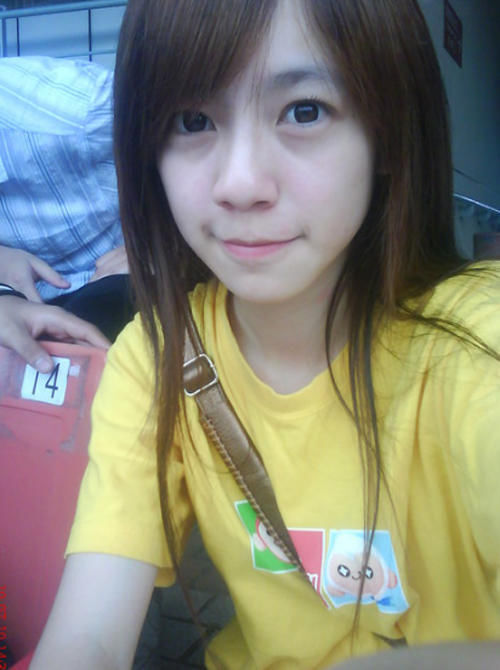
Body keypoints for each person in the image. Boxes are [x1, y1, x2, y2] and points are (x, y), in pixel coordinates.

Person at [31, 1, 500, 668]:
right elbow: (89, 639)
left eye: (304, 111)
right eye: (193, 122)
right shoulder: (156, 357)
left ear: (388, 132)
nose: (240, 184)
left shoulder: (477, 341)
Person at [0, 56, 133, 370]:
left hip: (143, 276)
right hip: (31, 314)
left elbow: (205, 146)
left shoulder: (80, 113)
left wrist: (171, 249)